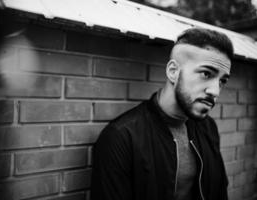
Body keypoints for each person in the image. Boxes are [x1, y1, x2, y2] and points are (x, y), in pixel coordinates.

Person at [90, 28, 233, 200]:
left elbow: (219, 191)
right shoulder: (122, 137)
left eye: (222, 81)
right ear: (173, 72)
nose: (215, 91)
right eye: (206, 74)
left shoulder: (208, 127)